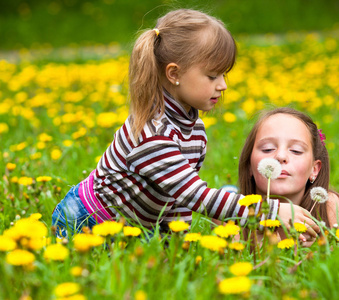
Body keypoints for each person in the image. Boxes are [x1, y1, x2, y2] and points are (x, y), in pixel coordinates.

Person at [51, 9, 320, 240]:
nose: (223, 85)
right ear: (174, 73)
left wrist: (178, 246)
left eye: (224, 74)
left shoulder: (194, 130)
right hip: (86, 221)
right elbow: (195, 196)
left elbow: (178, 199)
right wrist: (271, 211)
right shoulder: (154, 135)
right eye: (212, 75)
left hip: (133, 227)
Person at [239, 107, 339, 246]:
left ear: (314, 170)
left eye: (296, 151)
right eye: (267, 149)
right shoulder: (230, 215)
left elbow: (337, 258)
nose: (281, 156)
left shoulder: (328, 206)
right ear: (249, 166)